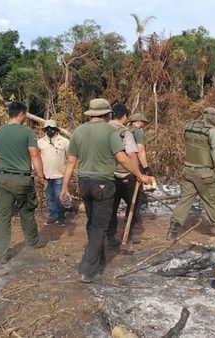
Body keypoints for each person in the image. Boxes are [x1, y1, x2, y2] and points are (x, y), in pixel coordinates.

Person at [60, 98, 150, 283]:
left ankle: (99, 260)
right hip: (103, 184)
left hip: (84, 182)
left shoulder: (78, 131)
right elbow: (122, 158)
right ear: (106, 114)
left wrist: (64, 188)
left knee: (93, 222)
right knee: (100, 226)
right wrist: (140, 176)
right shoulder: (110, 131)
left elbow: (70, 162)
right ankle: (87, 269)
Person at [166, 107, 215, 242]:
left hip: (188, 171)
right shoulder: (212, 131)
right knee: (213, 202)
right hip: (205, 173)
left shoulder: (189, 127)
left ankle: (172, 231)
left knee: (184, 201)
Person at [0, 101, 46, 264]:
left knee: (2, 216)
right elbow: (34, 155)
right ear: (22, 113)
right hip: (23, 179)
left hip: (3, 179)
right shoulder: (27, 133)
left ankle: (2, 253)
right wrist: (41, 176)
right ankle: (32, 241)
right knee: (27, 211)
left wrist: (5, 166)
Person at [107, 103, 140, 248]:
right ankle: (128, 233)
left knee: (111, 207)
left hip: (107, 175)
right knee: (134, 203)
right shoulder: (125, 132)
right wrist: (138, 173)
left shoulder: (103, 129)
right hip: (125, 174)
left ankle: (110, 236)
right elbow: (131, 155)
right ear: (125, 116)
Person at [37, 119, 69, 226]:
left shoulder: (64, 141)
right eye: (47, 128)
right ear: (45, 130)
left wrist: (67, 169)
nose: (49, 130)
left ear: (55, 129)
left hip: (59, 174)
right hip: (46, 175)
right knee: (50, 197)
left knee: (59, 196)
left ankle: (61, 217)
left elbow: (71, 158)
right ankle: (53, 215)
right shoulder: (40, 142)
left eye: (51, 128)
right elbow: (35, 157)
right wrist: (39, 173)